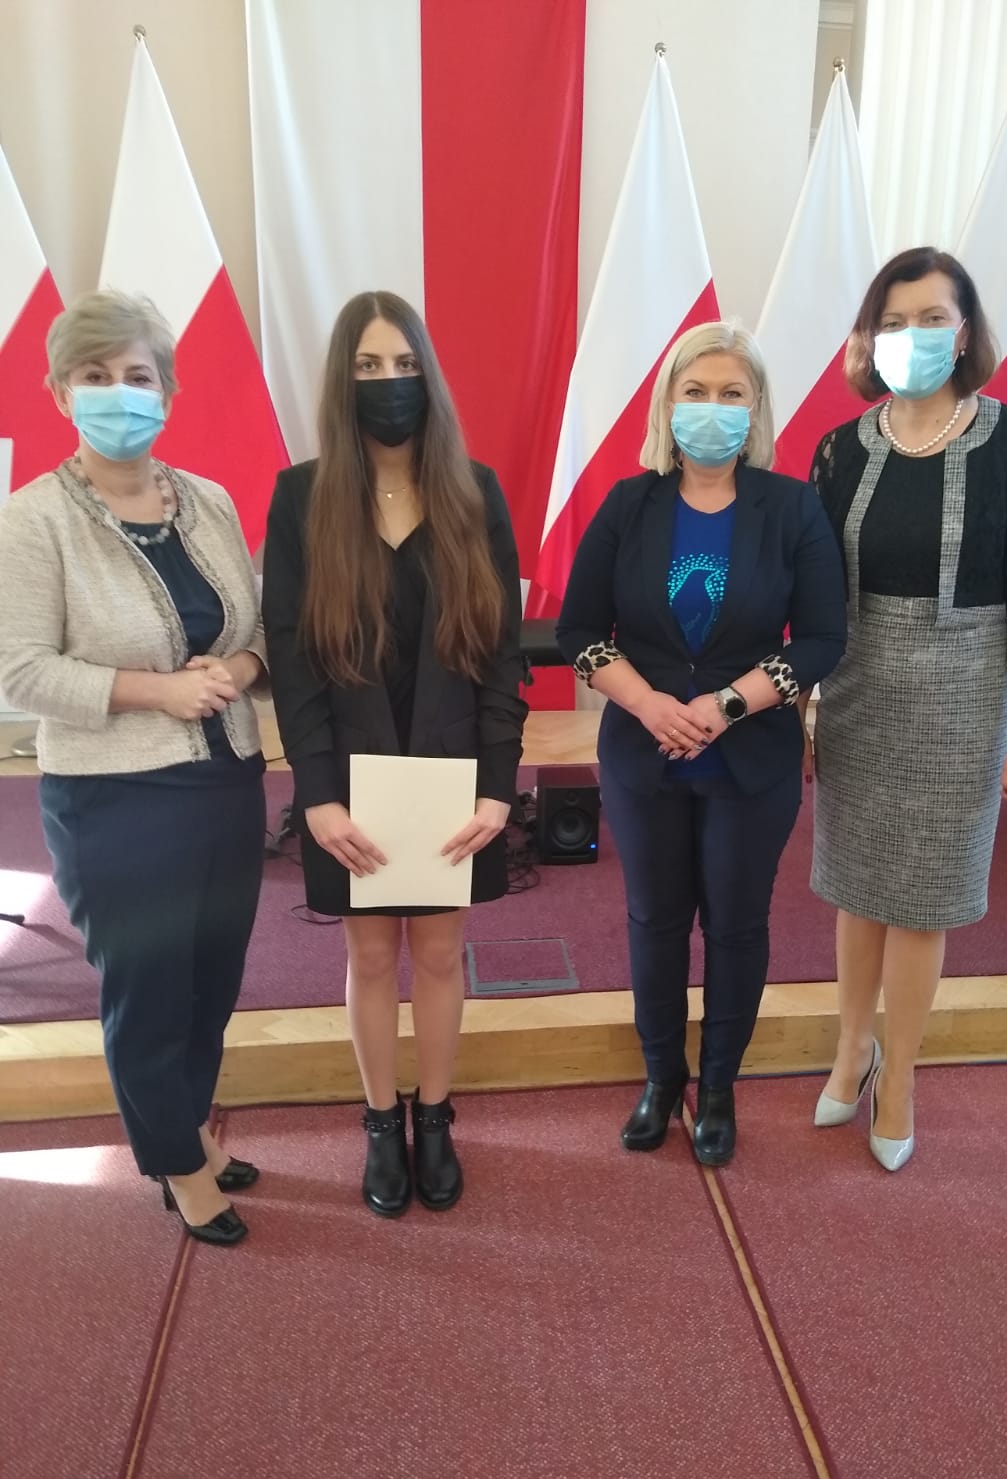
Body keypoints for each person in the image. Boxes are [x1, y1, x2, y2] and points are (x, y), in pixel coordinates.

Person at [0, 291, 268, 1244]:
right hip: (114, 799)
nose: (119, 393)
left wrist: (239, 671)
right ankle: (178, 1167)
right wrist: (158, 691)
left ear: (168, 391)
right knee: (149, 989)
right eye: (95, 376)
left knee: (212, 980)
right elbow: (19, 669)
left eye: (138, 376)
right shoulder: (33, 520)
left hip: (228, 779)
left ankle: (184, 1125)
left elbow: (257, 633)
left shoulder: (211, 501)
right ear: (60, 394)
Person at [557, 322, 847, 1166]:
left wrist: (724, 706)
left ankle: (719, 1086)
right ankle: (661, 1079)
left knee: (736, 925)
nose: (712, 409)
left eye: (731, 394)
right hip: (642, 754)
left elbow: (822, 640)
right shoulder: (628, 504)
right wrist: (649, 703)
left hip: (749, 760)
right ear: (668, 404)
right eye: (696, 392)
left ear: (755, 409)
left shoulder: (791, 508)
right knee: (653, 921)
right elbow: (578, 631)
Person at [262, 292, 526, 1216]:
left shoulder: (474, 492)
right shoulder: (301, 497)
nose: (389, 383)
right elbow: (291, 657)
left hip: (455, 774)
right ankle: (382, 1121)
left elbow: (501, 650)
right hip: (350, 776)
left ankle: (436, 1117)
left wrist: (500, 787)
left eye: (404, 364)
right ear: (344, 380)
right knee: (372, 956)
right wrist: (317, 794)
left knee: (443, 954)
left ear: (429, 375)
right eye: (369, 367)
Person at [807, 247, 1007, 1172]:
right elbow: (813, 593)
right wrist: (805, 704)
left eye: (931, 318)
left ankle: (902, 1077)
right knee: (855, 887)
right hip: (859, 686)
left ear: (964, 332)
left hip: (962, 690)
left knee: (922, 901)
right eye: (893, 320)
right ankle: (851, 1048)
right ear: (869, 336)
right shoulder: (839, 449)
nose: (910, 335)